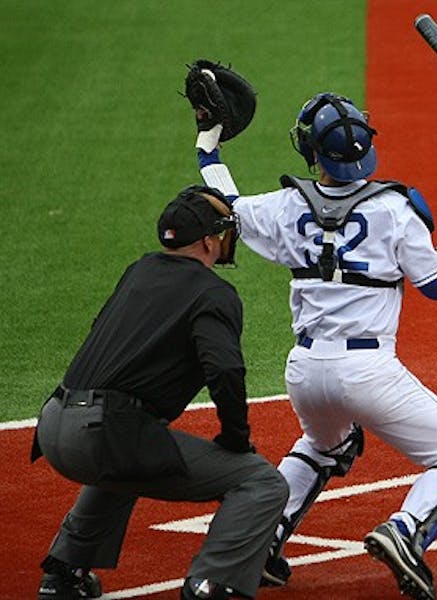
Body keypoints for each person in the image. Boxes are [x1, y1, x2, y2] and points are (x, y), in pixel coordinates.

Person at [192, 91, 437, 600]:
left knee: (327, 445)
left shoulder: (287, 206)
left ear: (314, 153)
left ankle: (262, 543)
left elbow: (226, 207)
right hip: (369, 370)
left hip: (306, 370)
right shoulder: (395, 208)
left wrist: (208, 144)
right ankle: (405, 532)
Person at [30, 186, 290, 600]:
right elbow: (224, 369)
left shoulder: (139, 271)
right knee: (263, 483)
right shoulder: (213, 293)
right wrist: (236, 440)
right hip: (103, 433)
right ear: (208, 241)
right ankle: (213, 585)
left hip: (53, 424)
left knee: (129, 456)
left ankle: (64, 573)